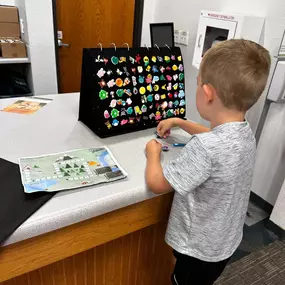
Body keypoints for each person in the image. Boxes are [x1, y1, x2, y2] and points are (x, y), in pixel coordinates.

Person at [145, 39, 271, 285]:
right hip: (224, 244)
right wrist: (179, 121)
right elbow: (214, 137)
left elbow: (158, 183)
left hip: (197, 251)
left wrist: (153, 153)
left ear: (207, 93)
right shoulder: (245, 133)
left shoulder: (204, 148)